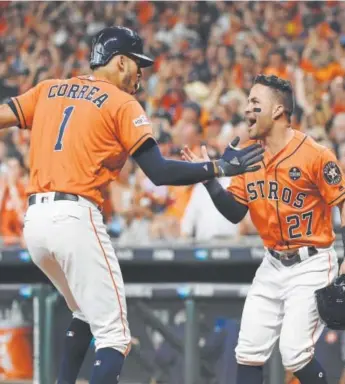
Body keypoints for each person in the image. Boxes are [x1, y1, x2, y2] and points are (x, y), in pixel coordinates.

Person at [0, 26, 264, 384]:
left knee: (83, 313)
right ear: (119, 61)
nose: (141, 72)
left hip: (36, 223)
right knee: (115, 336)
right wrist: (217, 167)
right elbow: (158, 171)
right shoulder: (121, 102)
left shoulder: (50, 88)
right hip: (75, 216)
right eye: (137, 64)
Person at [181, 74, 345, 384]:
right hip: (271, 263)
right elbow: (234, 212)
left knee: (295, 354)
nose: (247, 109)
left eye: (255, 102)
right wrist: (210, 181)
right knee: (248, 351)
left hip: (311, 262)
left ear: (279, 111)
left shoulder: (315, 155)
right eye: (247, 102)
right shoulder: (248, 158)